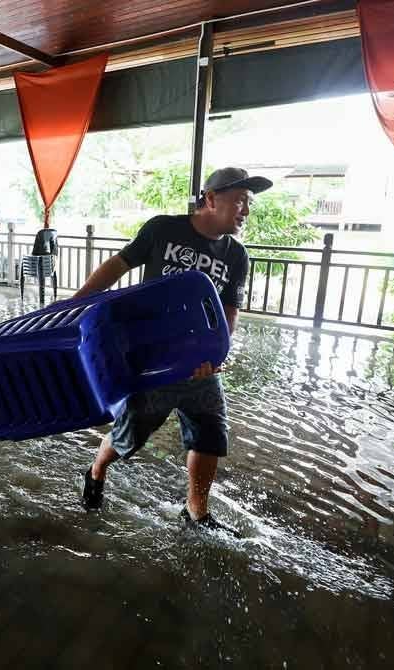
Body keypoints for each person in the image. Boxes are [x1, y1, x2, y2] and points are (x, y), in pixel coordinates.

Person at [76, 167, 272, 534]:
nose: (246, 210)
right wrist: (76, 304)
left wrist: (216, 357)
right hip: (152, 358)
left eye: (249, 203)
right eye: (240, 201)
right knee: (130, 434)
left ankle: (196, 510)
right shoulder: (163, 229)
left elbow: (229, 312)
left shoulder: (236, 255)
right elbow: (118, 265)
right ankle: (96, 470)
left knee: (211, 430)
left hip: (198, 361)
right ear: (211, 199)